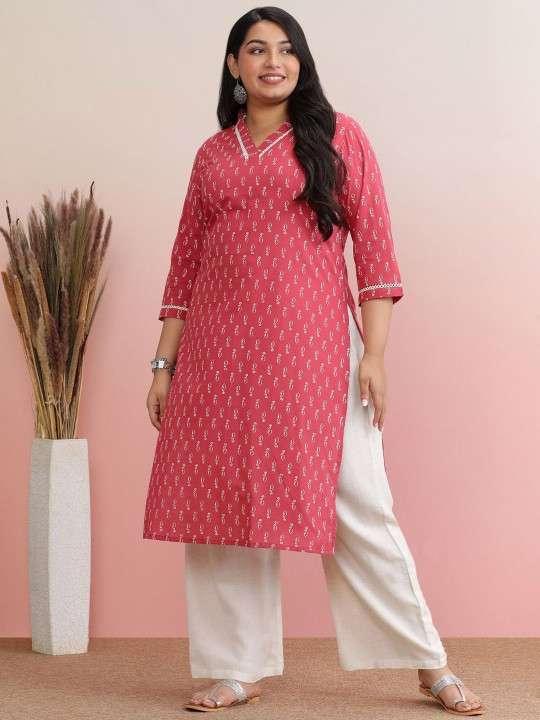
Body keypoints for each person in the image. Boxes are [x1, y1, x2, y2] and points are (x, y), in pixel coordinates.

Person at [143, 6, 485, 716]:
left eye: (286, 48)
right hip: (218, 356)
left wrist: (376, 356)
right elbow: (185, 264)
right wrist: (163, 367)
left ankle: (427, 661)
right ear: (234, 66)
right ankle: (237, 666)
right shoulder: (213, 155)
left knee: (359, 501)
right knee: (222, 507)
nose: (273, 61)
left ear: (301, 62)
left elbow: (377, 252)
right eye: (256, 49)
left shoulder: (337, 136)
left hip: (316, 351)